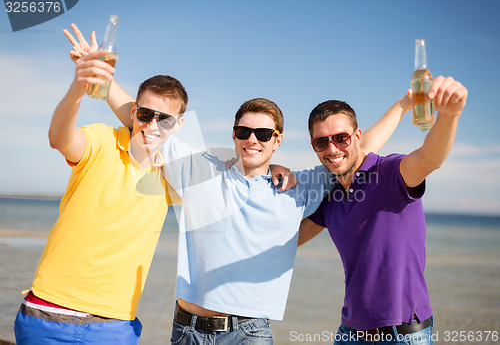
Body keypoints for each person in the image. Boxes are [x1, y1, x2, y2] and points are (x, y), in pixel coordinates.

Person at [63, 24, 411, 344]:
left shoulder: (300, 186)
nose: (252, 140)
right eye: (244, 132)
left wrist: (403, 104)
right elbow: (147, 121)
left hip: (250, 333)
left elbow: (359, 151)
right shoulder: (200, 171)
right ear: (234, 134)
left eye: (262, 134)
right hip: (188, 330)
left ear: (277, 140)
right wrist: (100, 77)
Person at [14, 47, 188, 343]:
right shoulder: (102, 140)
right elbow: (60, 138)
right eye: (145, 115)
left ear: (178, 125)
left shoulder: (175, 176)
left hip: (115, 326)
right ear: (134, 112)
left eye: (165, 120)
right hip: (47, 314)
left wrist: (271, 163)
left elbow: (238, 174)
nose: (153, 126)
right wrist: (78, 90)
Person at [299, 76, 468, 344]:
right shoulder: (329, 195)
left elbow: (429, 159)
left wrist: (449, 116)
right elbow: (287, 240)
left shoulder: (388, 174)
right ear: (314, 147)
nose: (332, 148)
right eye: (322, 142)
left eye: (341, 138)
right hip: (349, 332)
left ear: (357, 137)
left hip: (402, 335)